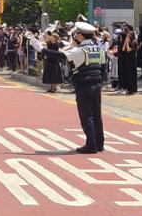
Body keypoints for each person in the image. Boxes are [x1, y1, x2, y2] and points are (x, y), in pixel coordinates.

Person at [36, 21, 105, 154]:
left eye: (76, 34)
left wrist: (41, 49)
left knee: (86, 116)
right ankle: (99, 143)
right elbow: (101, 65)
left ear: (80, 35)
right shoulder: (97, 48)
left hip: (84, 85)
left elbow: (61, 56)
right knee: (97, 115)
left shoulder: (80, 50)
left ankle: (91, 145)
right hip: (97, 84)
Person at [117, 28, 138, 95]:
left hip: (132, 61)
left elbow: (128, 49)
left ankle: (132, 89)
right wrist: (126, 42)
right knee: (127, 75)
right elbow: (123, 49)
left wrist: (127, 43)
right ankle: (128, 88)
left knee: (132, 76)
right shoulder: (125, 43)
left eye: (128, 36)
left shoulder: (134, 42)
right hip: (126, 61)